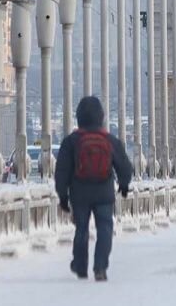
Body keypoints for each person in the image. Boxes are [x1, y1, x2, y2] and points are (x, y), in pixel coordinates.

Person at [55, 96, 133, 281]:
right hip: (104, 191)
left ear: (79, 116)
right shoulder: (109, 140)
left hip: (79, 193)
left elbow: (62, 171)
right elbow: (124, 165)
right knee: (105, 228)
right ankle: (100, 267)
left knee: (81, 228)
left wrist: (63, 196)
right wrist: (123, 185)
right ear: (101, 117)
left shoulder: (71, 141)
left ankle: (80, 266)